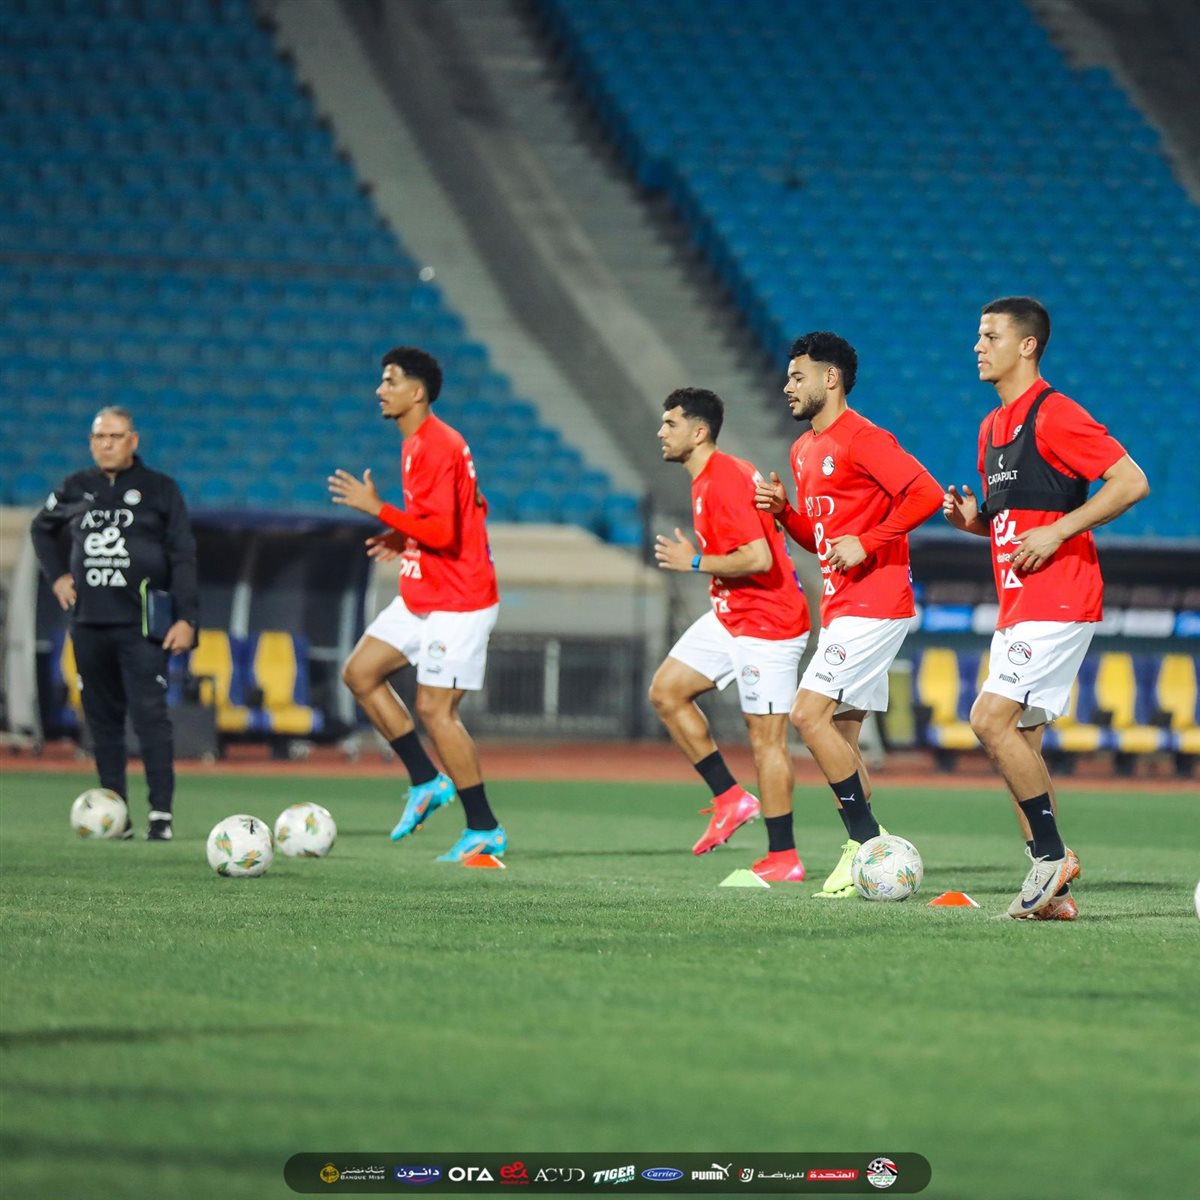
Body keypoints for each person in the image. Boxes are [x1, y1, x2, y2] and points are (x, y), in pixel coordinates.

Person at [943, 297, 1149, 920]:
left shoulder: (1055, 413)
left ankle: (1052, 857)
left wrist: (1060, 531)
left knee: (989, 720)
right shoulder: (991, 427)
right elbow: (1018, 519)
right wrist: (978, 522)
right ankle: (1052, 888)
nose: (977, 346)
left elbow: (1131, 481)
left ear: (1027, 345)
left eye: (991, 335)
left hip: (1060, 596)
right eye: (977, 336)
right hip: (1019, 603)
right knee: (1020, 745)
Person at [755, 332, 943, 897]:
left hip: (876, 602)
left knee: (806, 715)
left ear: (830, 378)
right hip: (842, 605)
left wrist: (869, 541)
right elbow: (821, 541)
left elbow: (926, 493)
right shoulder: (803, 450)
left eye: (797, 376)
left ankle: (866, 841)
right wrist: (785, 513)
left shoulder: (863, 437)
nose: (787, 387)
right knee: (840, 734)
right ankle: (862, 853)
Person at [329, 346, 505, 862]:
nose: (380, 389)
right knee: (361, 673)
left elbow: (446, 532)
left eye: (390, 380)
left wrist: (378, 509)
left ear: (417, 391)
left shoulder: (436, 444)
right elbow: (464, 510)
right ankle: (426, 781)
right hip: (425, 589)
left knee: (435, 709)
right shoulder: (420, 442)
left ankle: (484, 828)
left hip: (460, 598)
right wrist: (403, 535)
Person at [649, 387, 812, 881]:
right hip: (730, 614)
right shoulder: (706, 479)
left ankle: (783, 857)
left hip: (769, 623)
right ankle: (730, 797)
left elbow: (757, 558)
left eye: (671, 423)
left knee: (766, 739)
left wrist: (694, 561)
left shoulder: (723, 479)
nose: (661, 432)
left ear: (699, 432)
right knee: (667, 692)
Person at [30, 406, 198, 840]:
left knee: (150, 718)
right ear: (91, 443)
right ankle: (115, 813)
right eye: (99, 437)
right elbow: (40, 529)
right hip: (88, 622)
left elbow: (183, 556)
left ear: (133, 440)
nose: (106, 444)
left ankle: (161, 815)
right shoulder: (75, 486)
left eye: (115, 436)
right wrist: (58, 576)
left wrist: (187, 618)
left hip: (142, 626)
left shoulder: (160, 489)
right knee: (102, 721)